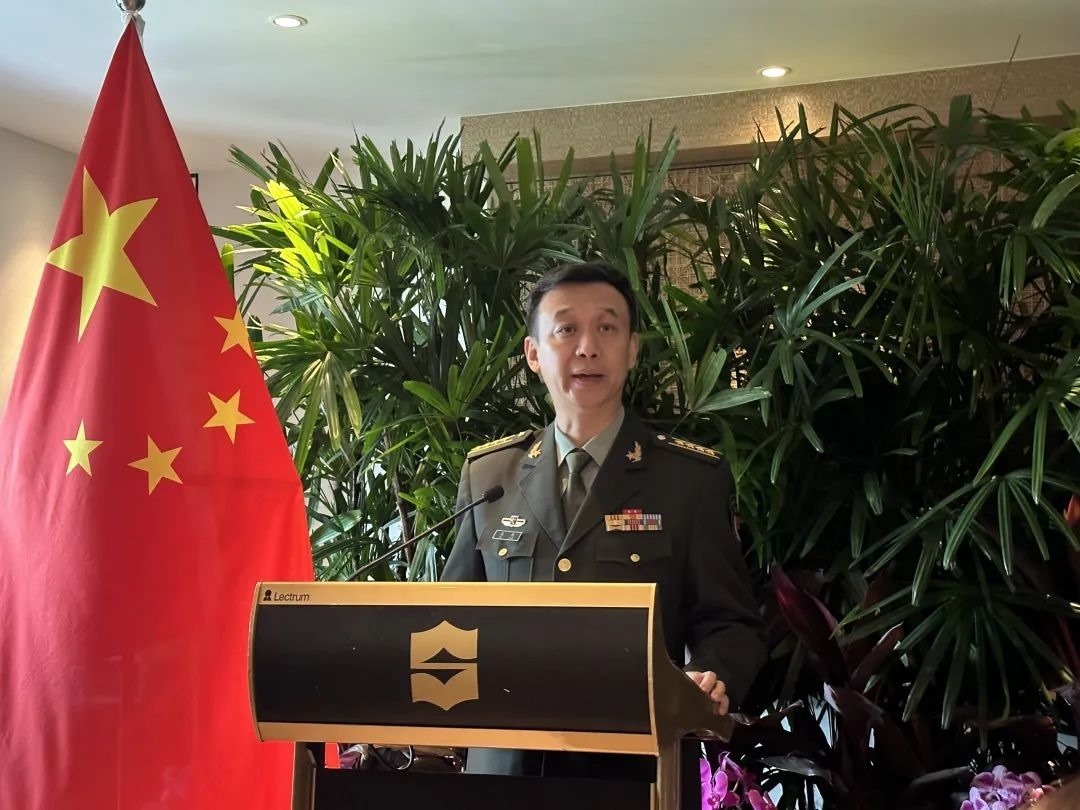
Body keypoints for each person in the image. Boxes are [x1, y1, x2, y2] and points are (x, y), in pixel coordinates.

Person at [441, 260, 766, 805]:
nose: (588, 347)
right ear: (533, 354)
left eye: (607, 328)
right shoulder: (489, 476)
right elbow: (451, 616)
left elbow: (732, 623)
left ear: (632, 350)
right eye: (566, 329)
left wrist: (708, 676)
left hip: (639, 773)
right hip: (505, 770)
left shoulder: (688, 480)